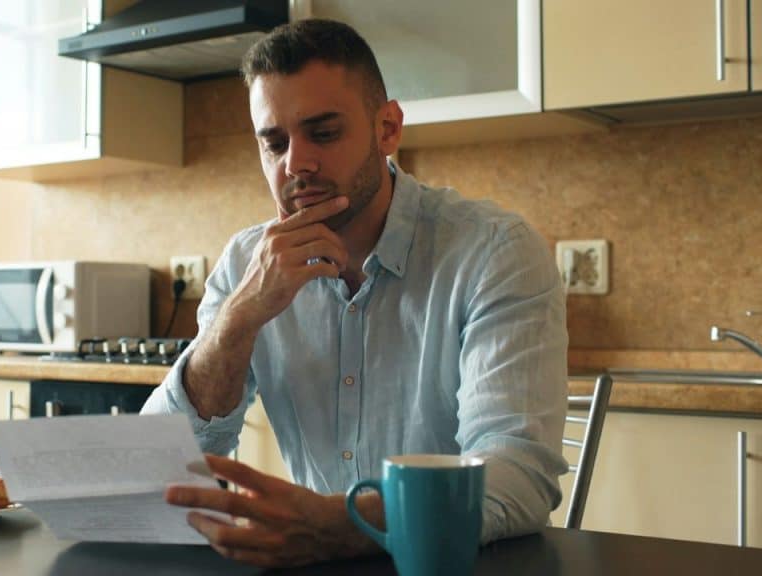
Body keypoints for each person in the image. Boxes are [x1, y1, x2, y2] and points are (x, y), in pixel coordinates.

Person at [140, 18, 568, 568]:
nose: (296, 164)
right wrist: (237, 320)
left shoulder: (494, 253)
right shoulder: (247, 263)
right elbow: (157, 467)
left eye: (323, 133)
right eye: (274, 143)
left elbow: (516, 476)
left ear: (387, 128)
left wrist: (337, 525)